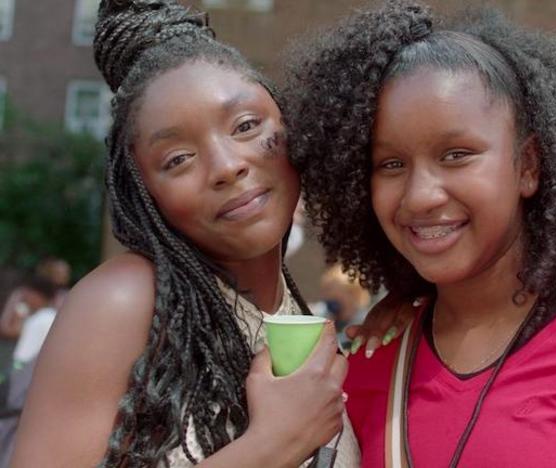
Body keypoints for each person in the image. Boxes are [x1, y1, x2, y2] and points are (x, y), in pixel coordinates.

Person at [282, 1, 556, 466]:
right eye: (391, 165)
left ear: (528, 166)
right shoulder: (369, 365)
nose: (420, 196)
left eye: (456, 154)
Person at [11, 1, 361, 466]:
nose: (227, 166)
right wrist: (272, 445)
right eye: (177, 159)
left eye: (246, 125)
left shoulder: (285, 309)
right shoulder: (124, 301)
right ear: (143, 191)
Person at [310, 265, 371, 350]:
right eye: (325, 291)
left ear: (351, 293)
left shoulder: (365, 321)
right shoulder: (324, 314)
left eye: (330, 290)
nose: (327, 297)